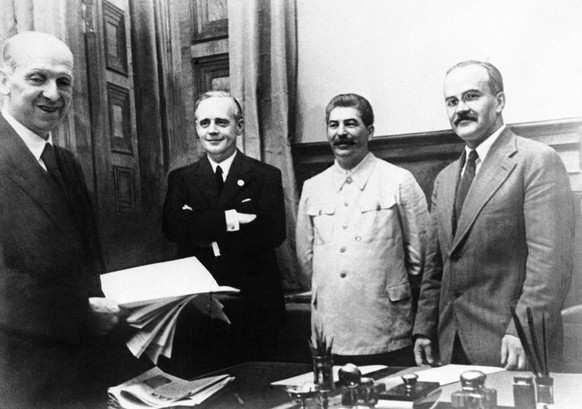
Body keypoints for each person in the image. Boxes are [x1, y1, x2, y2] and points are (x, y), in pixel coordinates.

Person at [0, 31, 145, 408]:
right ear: (3, 80)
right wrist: (81, 311)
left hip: (82, 370)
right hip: (18, 377)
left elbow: (86, 265)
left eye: (63, 82)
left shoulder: (66, 162)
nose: (53, 94)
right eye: (37, 78)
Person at [413, 61, 574, 369]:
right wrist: (424, 328)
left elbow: (550, 265)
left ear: (499, 101)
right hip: (449, 347)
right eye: (452, 101)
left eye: (471, 96)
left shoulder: (536, 161)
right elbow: (436, 267)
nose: (461, 108)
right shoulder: (445, 179)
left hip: (511, 346)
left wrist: (523, 331)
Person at [296, 93, 429, 366]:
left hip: (384, 324)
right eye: (333, 125)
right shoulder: (313, 188)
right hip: (330, 327)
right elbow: (306, 258)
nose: (341, 133)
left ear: (369, 131)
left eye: (351, 124)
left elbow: (420, 256)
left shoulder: (398, 180)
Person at [162, 91, 286, 371]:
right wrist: (230, 219)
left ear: (239, 126)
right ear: (196, 128)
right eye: (204, 123)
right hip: (198, 305)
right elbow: (172, 228)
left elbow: (272, 233)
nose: (212, 131)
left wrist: (199, 226)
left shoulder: (266, 176)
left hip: (254, 305)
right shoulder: (181, 179)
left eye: (221, 122)